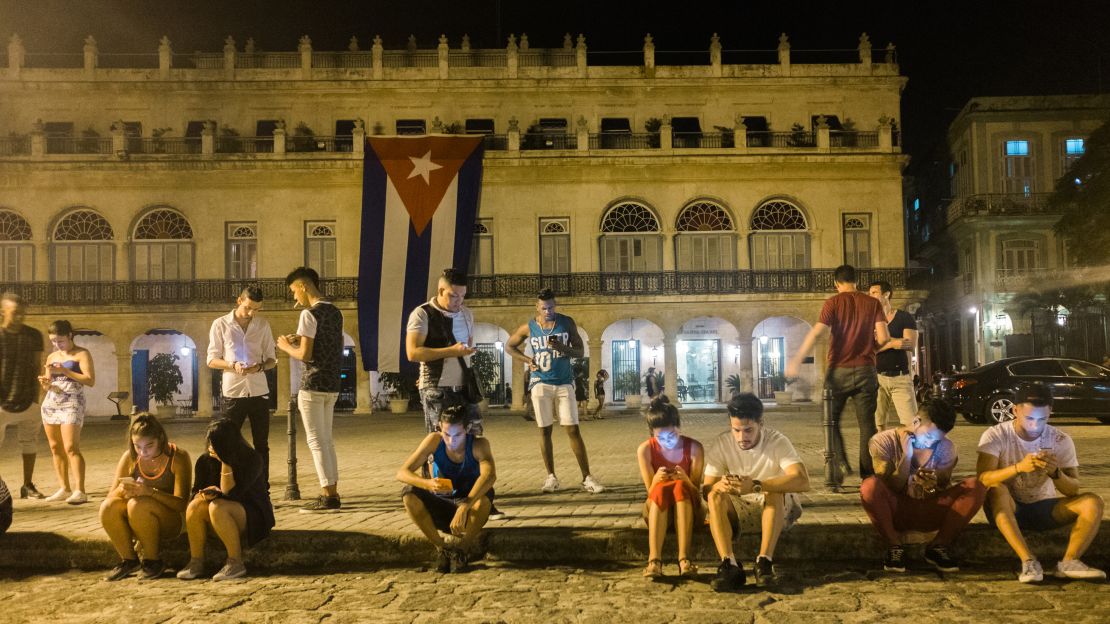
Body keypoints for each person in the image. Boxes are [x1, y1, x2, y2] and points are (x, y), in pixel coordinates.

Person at [977, 383, 1106, 582]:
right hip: (1006, 508)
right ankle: (1028, 561)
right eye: (1029, 418)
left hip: (1044, 507)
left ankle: (1069, 562)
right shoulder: (996, 435)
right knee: (997, 489)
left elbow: (1073, 489)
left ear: (1050, 413)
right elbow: (983, 478)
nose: (1035, 425)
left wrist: (1055, 473)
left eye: (1042, 419)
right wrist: (1019, 467)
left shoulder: (1060, 439)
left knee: (1093, 502)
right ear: (1015, 410)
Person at [787, 264, 889, 481]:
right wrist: (871, 350)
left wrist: (796, 359)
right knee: (867, 424)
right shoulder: (873, 303)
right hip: (866, 370)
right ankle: (868, 476)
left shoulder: (832, 303)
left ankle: (839, 465)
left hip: (838, 371)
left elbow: (817, 334)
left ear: (836, 284)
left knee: (830, 420)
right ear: (856, 281)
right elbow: (884, 338)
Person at [860, 399, 986, 573]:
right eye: (927, 436)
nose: (929, 443)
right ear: (916, 422)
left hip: (927, 509)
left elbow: (940, 488)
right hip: (896, 509)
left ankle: (938, 546)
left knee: (975, 485)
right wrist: (906, 456)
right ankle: (894, 547)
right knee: (869, 486)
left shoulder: (946, 448)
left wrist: (931, 486)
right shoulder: (883, 441)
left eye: (935, 440)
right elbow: (889, 486)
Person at [703, 393, 809, 591]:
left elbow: (802, 480)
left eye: (748, 430)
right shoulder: (722, 443)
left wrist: (756, 485)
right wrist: (720, 485)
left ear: (761, 423)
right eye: (736, 430)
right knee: (714, 496)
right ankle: (730, 564)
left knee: (774, 491)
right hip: (741, 506)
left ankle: (764, 562)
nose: (742, 437)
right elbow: (707, 489)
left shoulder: (777, 441)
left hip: (776, 506)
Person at [506, 289, 604, 494]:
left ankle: (587, 477)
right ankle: (551, 477)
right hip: (540, 382)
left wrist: (562, 347)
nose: (548, 311)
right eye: (544, 308)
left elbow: (580, 351)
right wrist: (527, 361)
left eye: (551, 307)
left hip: (564, 382)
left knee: (572, 429)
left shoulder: (566, 322)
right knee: (544, 429)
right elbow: (509, 346)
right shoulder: (529, 327)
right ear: (537, 307)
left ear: (555, 305)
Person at [397, 402, 496, 573]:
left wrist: (465, 505)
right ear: (440, 429)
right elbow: (402, 473)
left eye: (457, 435)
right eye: (447, 434)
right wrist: (427, 483)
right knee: (409, 494)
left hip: (468, 510)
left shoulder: (479, 445)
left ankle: (462, 550)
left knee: (485, 497)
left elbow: (489, 476)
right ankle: (441, 548)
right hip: (440, 503)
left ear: (467, 429)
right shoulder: (434, 441)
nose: (451, 441)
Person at [277, 266, 345, 513]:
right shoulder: (335, 312)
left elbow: (305, 355)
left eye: (294, 291)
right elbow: (324, 343)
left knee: (316, 441)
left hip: (313, 384)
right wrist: (300, 338)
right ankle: (332, 492)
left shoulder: (309, 315)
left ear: (303, 286)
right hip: (332, 384)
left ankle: (328, 496)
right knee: (327, 441)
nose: (294, 297)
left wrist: (286, 346)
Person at [178, 418, 275, 581]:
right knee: (195, 506)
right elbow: (194, 492)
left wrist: (225, 462)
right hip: (219, 512)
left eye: (216, 444)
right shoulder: (204, 461)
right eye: (210, 442)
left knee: (218, 506)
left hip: (252, 514)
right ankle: (196, 561)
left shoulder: (252, 459)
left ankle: (235, 562)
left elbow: (232, 494)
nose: (211, 447)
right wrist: (203, 495)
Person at [99, 413, 193, 581]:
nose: (143, 452)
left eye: (149, 445)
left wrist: (150, 492)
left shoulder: (178, 457)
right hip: (138, 518)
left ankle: (152, 561)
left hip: (171, 519)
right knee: (108, 506)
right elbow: (111, 496)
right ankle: (128, 560)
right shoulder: (129, 457)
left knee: (138, 504)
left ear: (161, 438)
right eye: (137, 446)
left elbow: (181, 505)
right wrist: (123, 490)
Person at [207, 285, 277, 485]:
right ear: (239, 301)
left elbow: (272, 359)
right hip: (233, 392)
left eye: (256, 309)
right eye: (248, 307)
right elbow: (211, 360)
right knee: (227, 442)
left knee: (262, 444)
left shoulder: (262, 325)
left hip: (258, 390)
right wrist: (232, 365)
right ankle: (229, 484)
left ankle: (263, 487)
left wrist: (260, 367)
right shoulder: (220, 324)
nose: (251, 313)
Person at [405, 268, 482, 436]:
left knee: (473, 437)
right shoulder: (423, 314)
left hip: (465, 388)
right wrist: (451, 351)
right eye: (454, 295)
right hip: (436, 387)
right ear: (441, 291)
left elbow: (465, 348)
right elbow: (412, 353)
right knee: (440, 439)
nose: (459, 301)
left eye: (463, 296)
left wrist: (467, 351)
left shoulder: (467, 314)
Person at [636, 396, 704, 578]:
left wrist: (687, 481)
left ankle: (684, 559)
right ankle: (654, 561)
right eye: (661, 438)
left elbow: (697, 495)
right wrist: (656, 480)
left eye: (672, 435)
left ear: (679, 428)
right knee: (660, 489)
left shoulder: (695, 448)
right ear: (652, 434)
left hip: (689, 509)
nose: (667, 441)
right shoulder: (645, 450)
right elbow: (650, 494)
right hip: (658, 510)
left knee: (680, 486)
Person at [38, 319, 94, 504]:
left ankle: (80, 490)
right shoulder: (51, 357)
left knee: (71, 447)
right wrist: (46, 384)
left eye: (60, 340)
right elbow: (48, 382)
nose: (57, 344)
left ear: (70, 335)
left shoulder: (82, 354)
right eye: (53, 341)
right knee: (55, 447)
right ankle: (64, 488)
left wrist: (65, 370)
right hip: (52, 402)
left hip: (72, 401)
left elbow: (89, 380)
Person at [0, 292, 46, 505]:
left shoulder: (34, 335)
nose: (19, 317)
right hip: (1, 400)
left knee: (30, 443)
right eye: (15, 313)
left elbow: (37, 365)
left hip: (28, 398)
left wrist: (37, 397)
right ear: (3, 312)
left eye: (22, 314)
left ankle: (28, 485)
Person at [868, 280, 918, 431]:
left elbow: (910, 344)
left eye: (874, 293)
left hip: (901, 378)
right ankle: (883, 452)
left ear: (886, 294)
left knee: (912, 424)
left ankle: (907, 453)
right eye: (869, 293)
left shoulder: (904, 317)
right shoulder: (868, 320)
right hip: (876, 378)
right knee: (878, 424)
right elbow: (868, 349)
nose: (870, 296)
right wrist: (892, 343)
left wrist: (880, 342)